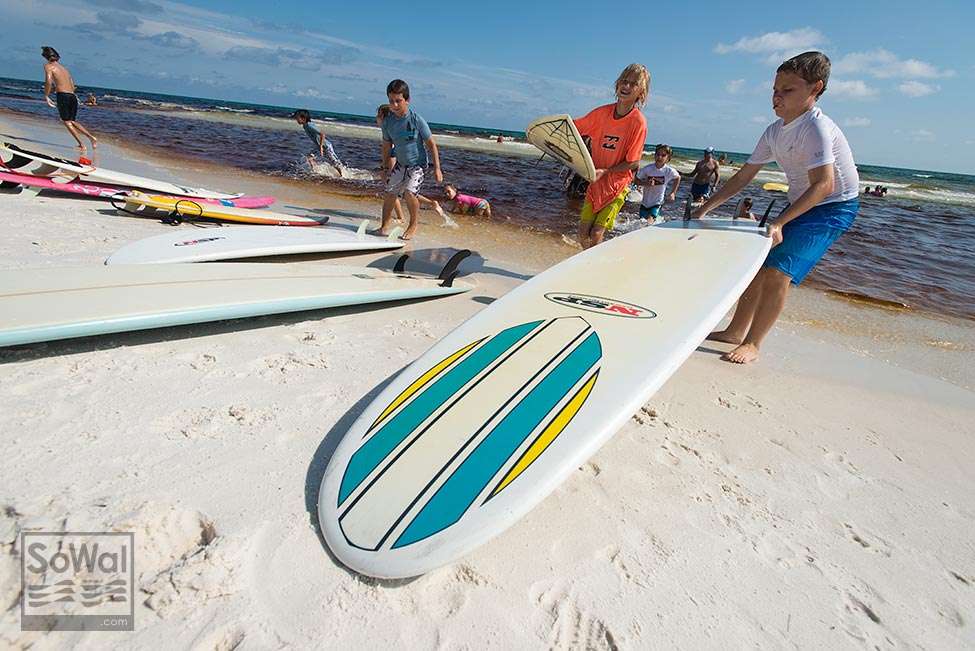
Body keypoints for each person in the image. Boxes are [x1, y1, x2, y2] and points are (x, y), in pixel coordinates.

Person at [694, 51, 860, 364]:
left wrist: (779, 223)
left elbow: (825, 185)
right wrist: (706, 207)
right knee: (758, 266)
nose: (777, 97)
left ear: (815, 89)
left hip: (833, 207)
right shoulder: (774, 131)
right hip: (801, 203)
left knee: (777, 272)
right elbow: (744, 176)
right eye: (775, 90)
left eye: (788, 90)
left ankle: (754, 344)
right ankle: (734, 331)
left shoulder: (817, 128)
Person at [574, 63, 649, 248]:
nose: (626, 86)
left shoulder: (638, 122)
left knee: (597, 232)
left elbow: (633, 163)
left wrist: (606, 171)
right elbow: (574, 129)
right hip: (596, 181)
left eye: (633, 84)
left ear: (641, 92)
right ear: (617, 84)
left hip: (617, 185)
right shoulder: (601, 113)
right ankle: (588, 263)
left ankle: (592, 269)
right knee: (583, 232)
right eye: (624, 81)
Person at [376, 79, 443, 240]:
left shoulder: (416, 120)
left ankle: (413, 225)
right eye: (391, 101)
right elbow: (386, 147)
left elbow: (431, 144)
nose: (394, 105)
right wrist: (385, 169)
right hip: (400, 164)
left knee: (409, 193)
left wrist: (437, 168)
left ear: (407, 100)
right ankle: (384, 225)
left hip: (418, 165)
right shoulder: (388, 123)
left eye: (398, 101)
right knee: (390, 192)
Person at [41, 46, 97, 152]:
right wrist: (59, 88)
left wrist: (46, 95)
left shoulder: (48, 66)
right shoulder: (64, 69)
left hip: (63, 96)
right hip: (72, 96)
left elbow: (48, 81)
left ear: (46, 57)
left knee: (66, 121)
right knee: (72, 121)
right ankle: (92, 138)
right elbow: (72, 86)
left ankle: (82, 144)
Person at [291, 109, 345, 178]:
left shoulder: (309, 125)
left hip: (326, 146)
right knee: (309, 158)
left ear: (303, 118)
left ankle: (343, 176)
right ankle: (315, 171)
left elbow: (322, 134)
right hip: (319, 146)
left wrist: (321, 147)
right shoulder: (305, 126)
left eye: (297, 118)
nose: (296, 120)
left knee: (334, 162)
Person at [634, 144, 681, 221]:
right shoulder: (647, 169)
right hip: (645, 203)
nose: (659, 157)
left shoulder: (669, 171)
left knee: (650, 220)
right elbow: (636, 180)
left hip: (657, 203)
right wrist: (645, 183)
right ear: (654, 155)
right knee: (641, 221)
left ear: (668, 158)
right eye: (658, 154)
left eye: (663, 155)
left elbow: (678, 178)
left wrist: (673, 192)